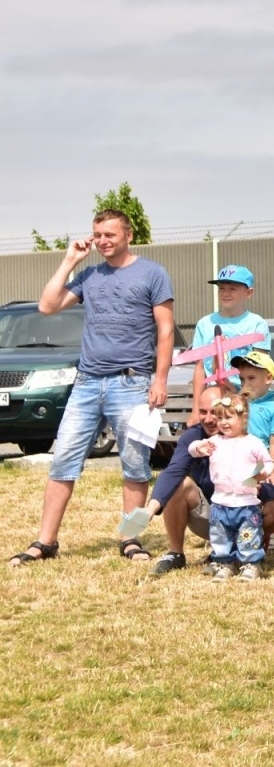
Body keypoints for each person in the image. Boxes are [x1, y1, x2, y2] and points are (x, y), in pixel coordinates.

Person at [12, 208, 174, 567]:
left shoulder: (153, 273)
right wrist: (70, 259)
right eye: (97, 235)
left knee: (135, 465)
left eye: (109, 235)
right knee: (63, 461)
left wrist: (159, 379)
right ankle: (45, 541)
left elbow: (165, 330)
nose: (102, 241)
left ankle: (131, 537)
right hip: (86, 384)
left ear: (128, 235)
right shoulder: (89, 275)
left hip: (132, 383)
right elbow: (47, 305)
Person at [142, 384, 274, 575]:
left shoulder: (251, 439)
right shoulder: (197, 438)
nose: (210, 419)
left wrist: (253, 485)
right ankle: (176, 553)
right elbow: (172, 472)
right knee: (179, 484)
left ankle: (249, 552)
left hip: (247, 510)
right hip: (216, 513)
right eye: (203, 412)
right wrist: (150, 509)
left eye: (216, 413)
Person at [189, 392, 274, 581]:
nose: (223, 422)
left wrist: (264, 472)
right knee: (220, 536)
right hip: (221, 502)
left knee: (248, 535)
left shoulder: (252, 442)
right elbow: (192, 448)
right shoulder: (215, 442)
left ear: (243, 418)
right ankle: (224, 564)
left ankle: (250, 564)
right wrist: (199, 448)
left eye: (228, 417)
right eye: (220, 418)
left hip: (246, 502)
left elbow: (268, 462)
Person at [185, 265, 270, 422]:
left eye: (232, 288)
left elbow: (260, 369)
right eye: (222, 288)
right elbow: (200, 369)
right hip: (213, 396)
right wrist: (196, 410)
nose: (225, 293)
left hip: (245, 398)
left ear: (249, 293)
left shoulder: (257, 324)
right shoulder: (205, 323)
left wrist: (244, 398)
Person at [231, 349, 274, 548]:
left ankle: (262, 532)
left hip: (263, 460)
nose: (245, 383)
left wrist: (271, 470)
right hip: (242, 459)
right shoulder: (240, 404)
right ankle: (237, 535)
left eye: (251, 377)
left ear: (268, 378)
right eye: (242, 379)